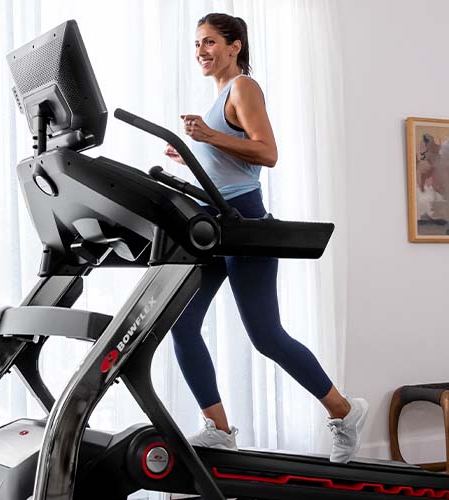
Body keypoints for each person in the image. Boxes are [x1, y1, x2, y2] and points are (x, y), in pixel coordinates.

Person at [164, 12, 368, 464]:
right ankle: (218, 429)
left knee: (266, 335)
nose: (201, 51)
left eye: (210, 42)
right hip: (211, 222)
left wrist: (209, 135)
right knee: (181, 322)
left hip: (244, 220)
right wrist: (190, 155)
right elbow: (227, 160)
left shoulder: (243, 88)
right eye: (197, 44)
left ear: (235, 46)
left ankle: (343, 410)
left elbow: (267, 152)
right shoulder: (218, 96)